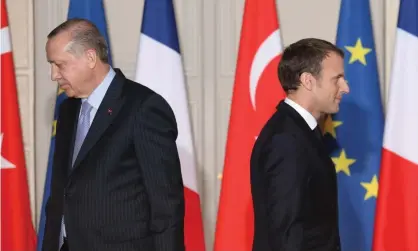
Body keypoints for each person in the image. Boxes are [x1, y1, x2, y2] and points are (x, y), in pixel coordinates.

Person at [42, 18, 185, 251]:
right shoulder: (67, 110)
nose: (53, 75)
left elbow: (166, 206)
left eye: (60, 65)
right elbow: (61, 193)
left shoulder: (143, 108)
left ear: (90, 58)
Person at [250, 38, 349, 251]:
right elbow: (286, 232)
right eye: (337, 79)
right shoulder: (286, 140)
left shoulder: (301, 132)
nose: (345, 88)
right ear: (308, 81)